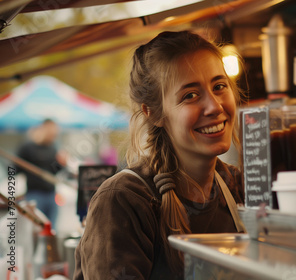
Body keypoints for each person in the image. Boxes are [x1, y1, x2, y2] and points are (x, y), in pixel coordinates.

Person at [74, 30, 246, 280]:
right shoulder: (125, 200)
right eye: (190, 95)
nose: (215, 106)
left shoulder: (239, 187)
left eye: (219, 86)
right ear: (153, 113)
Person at [16, 118, 66, 227]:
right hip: (34, 195)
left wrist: (61, 164)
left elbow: (54, 171)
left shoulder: (52, 148)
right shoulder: (27, 147)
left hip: (51, 194)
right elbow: (15, 169)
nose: (53, 136)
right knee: (36, 229)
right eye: (52, 133)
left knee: (51, 229)